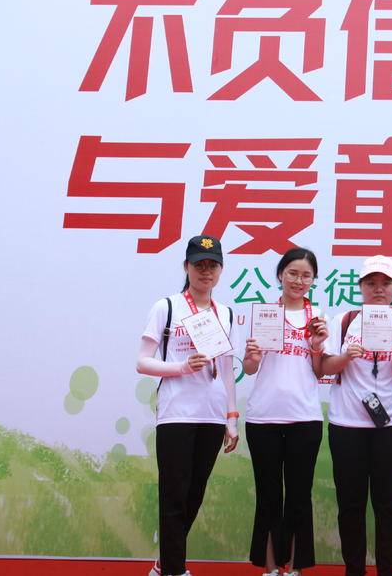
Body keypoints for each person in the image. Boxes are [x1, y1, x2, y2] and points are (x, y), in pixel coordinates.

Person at [136, 234, 240, 576]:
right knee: (174, 494)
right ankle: (175, 570)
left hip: (212, 414)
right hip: (176, 412)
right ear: (186, 267)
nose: (205, 271)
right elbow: (142, 362)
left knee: (194, 494)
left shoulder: (225, 314)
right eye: (199, 265)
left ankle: (164, 565)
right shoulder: (167, 307)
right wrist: (181, 367)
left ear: (221, 270)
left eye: (212, 265)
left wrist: (231, 419)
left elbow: (227, 369)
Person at [316, 255, 392, 576]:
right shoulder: (344, 321)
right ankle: (354, 569)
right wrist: (345, 356)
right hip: (347, 425)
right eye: (371, 283)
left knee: (389, 505)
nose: (378, 289)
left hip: (391, 426)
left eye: (385, 283)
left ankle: (389, 571)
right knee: (351, 505)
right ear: (360, 287)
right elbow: (323, 367)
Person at [242, 247, 329, 576]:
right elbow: (249, 368)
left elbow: (319, 371)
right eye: (292, 273)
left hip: (305, 418)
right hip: (263, 417)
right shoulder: (264, 314)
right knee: (268, 496)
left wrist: (318, 345)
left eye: (306, 275)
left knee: (298, 496)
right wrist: (253, 355)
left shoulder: (318, 316)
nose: (298, 280)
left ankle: (293, 567)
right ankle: (269, 568)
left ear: (313, 280)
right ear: (280, 275)